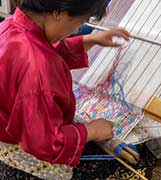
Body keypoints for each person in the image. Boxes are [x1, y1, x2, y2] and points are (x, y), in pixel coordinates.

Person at [0, 0, 130, 179]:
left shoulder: (11, 26)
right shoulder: (35, 69)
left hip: (8, 144)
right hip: (27, 165)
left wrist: (89, 40)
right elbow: (44, 143)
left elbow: (45, 50)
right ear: (59, 13)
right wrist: (92, 130)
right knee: (127, 165)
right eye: (79, 22)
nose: (77, 29)